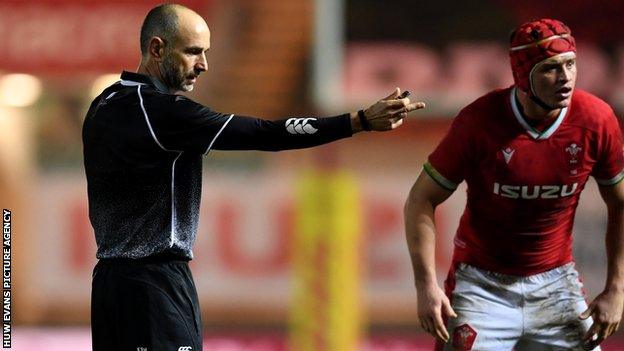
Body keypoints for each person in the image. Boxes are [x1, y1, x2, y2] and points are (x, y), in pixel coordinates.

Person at [83, 3, 424, 351]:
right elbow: (265, 133)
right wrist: (359, 121)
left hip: (109, 287)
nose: (203, 64)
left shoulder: (102, 104)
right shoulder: (163, 114)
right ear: (157, 48)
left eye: (206, 52)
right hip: (154, 286)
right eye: (193, 52)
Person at [404, 18, 624, 351]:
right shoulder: (478, 122)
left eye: (571, 64)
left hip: (556, 284)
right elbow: (421, 199)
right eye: (550, 69)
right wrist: (426, 287)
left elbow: (620, 201)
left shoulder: (596, 120)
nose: (565, 78)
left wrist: (616, 289)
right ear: (523, 76)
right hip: (480, 288)